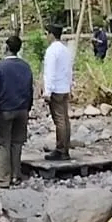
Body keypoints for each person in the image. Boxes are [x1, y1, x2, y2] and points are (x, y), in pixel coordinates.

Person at [0, 35, 34, 187]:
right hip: (22, 109)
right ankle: (15, 175)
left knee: (1, 143)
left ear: (6, 48)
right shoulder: (26, 66)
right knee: (17, 143)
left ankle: (2, 178)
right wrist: (27, 107)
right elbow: (30, 90)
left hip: (4, 110)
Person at [42, 24, 74, 161]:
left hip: (55, 89)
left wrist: (47, 91)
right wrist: (70, 86)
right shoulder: (65, 50)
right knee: (65, 120)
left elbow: (50, 72)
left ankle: (61, 150)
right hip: (64, 87)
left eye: (47, 34)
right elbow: (69, 70)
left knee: (59, 120)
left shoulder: (51, 51)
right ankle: (65, 148)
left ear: (51, 34)